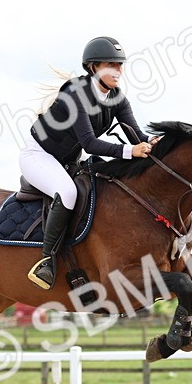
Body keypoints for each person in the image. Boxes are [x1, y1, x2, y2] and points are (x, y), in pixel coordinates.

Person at [21, 36, 158, 289]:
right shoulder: (74, 93)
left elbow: (137, 136)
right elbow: (90, 143)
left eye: (120, 65)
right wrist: (131, 150)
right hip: (38, 156)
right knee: (68, 192)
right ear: (93, 67)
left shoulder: (117, 98)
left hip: (69, 161)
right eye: (111, 65)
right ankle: (46, 261)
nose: (118, 71)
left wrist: (154, 142)